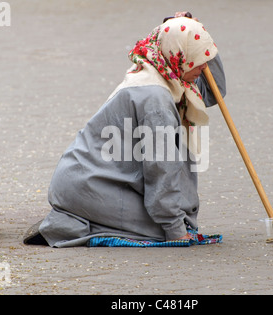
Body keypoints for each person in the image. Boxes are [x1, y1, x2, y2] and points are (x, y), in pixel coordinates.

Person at [24, 12, 226, 247]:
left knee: (173, 217)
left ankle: (82, 217)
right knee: (162, 228)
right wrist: (175, 230)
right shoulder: (156, 98)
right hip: (88, 184)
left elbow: (213, 90)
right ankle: (67, 223)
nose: (203, 65)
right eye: (199, 56)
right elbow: (160, 168)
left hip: (92, 180)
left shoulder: (165, 73)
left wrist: (198, 33)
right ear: (179, 55)